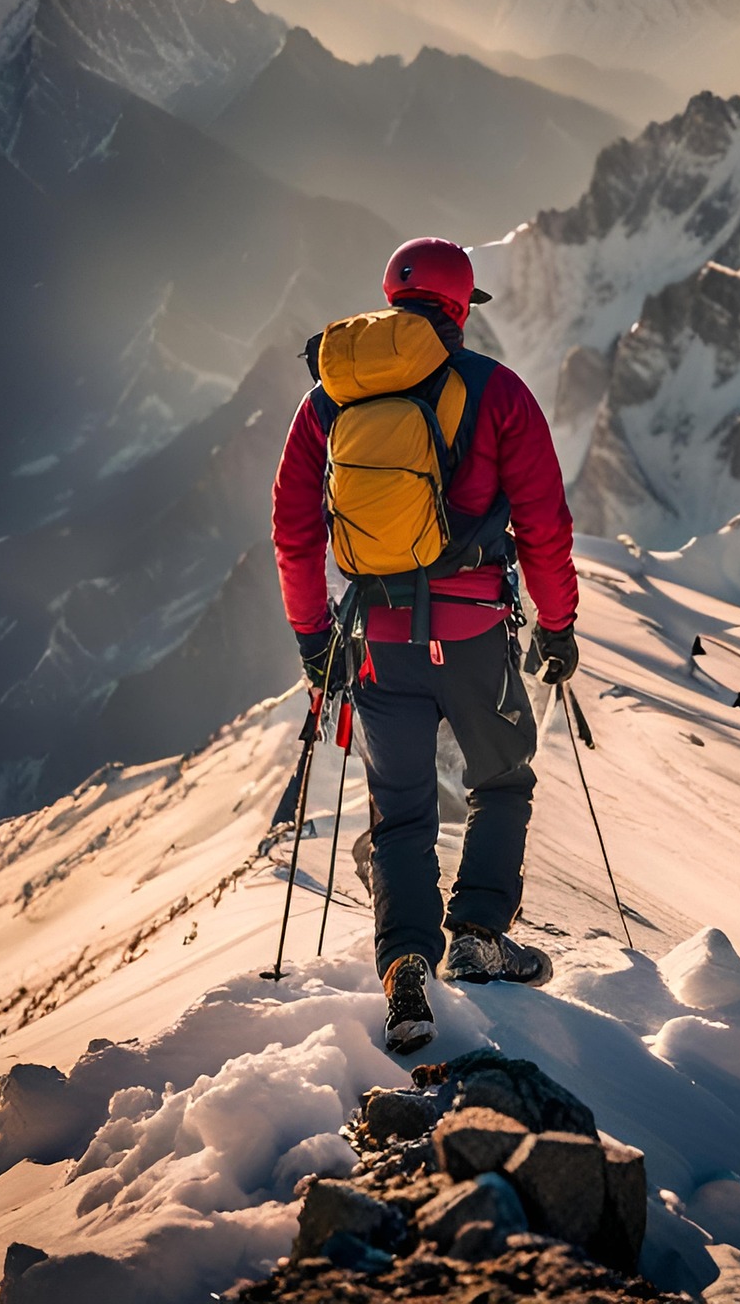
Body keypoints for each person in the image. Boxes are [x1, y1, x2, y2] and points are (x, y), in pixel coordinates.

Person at [271, 236, 580, 1053]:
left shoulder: (326, 402)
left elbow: (294, 532)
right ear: (460, 308)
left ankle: (406, 962)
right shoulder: (499, 392)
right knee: (503, 777)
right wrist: (557, 625)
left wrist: (313, 641)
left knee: (400, 813)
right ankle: (479, 931)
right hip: (475, 630)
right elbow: (545, 523)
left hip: (378, 643)